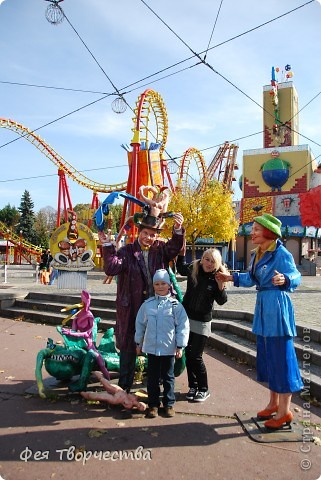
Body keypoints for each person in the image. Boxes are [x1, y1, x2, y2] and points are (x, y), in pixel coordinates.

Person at [216, 213, 303, 429]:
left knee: (281, 359)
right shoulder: (258, 254)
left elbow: (296, 276)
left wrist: (286, 279)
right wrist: (230, 278)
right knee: (268, 357)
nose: (251, 232)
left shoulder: (280, 253)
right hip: (264, 307)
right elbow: (251, 278)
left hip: (277, 307)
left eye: (255, 229)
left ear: (268, 232)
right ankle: (273, 404)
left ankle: (285, 412)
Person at [98, 212, 185, 394]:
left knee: (158, 343)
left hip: (156, 307)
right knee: (128, 348)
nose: (148, 238)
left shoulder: (160, 249)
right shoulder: (126, 251)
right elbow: (111, 267)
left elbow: (174, 248)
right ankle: (124, 386)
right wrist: (107, 245)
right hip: (131, 306)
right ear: (139, 232)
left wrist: (177, 230)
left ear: (157, 236)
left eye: (152, 235)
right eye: (145, 233)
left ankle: (158, 385)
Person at [135, 269, 189, 418]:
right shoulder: (148, 305)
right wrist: (138, 343)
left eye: (163, 283)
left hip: (168, 348)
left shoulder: (175, 306)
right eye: (157, 284)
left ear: (169, 285)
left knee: (168, 377)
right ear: (153, 286)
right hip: (152, 348)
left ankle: (168, 404)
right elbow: (140, 324)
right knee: (152, 378)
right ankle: (153, 405)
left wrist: (180, 346)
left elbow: (183, 326)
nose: (160, 286)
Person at [176, 248, 228, 402]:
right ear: (202, 259)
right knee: (188, 355)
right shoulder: (195, 268)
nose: (209, 263)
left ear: (217, 263)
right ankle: (193, 386)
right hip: (186, 318)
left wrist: (220, 286)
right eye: (207, 259)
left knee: (195, 356)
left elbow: (222, 300)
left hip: (202, 321)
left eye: (213, 261)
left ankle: (204, 389)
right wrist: (181, 253)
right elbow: (180, 269)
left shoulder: (217, 276)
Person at [81, 371, 147, 411]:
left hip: (115, 399)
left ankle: (81, 392)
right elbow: (141, 391)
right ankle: (95, 371)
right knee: (106, 383)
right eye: (142, 406)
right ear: (142, 403)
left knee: (97, 396)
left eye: (139, 408)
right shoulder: (137, 396)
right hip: (119, 391)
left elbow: (123, 405)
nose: (139, 406)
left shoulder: (129, 406)